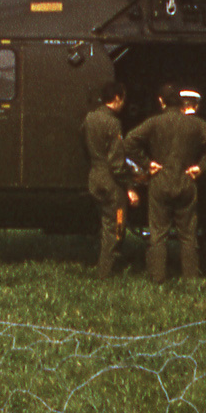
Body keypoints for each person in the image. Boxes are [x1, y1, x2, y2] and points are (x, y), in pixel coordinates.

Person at [123, 83, 206, 284]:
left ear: (161, 102)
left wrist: (146, 163)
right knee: (188, 236)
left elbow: (128, 141)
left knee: (158, 234)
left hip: (159, 183)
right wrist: (201, 167)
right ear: (180, 102)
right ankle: (190, 279)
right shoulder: (196, 125)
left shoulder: (154, 122)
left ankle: (157, 278)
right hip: (186, 182)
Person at [83, 81, 139, 278]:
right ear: (116, 98)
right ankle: (106, 272)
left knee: (105, 223)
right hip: (110, 183)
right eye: (123, 98)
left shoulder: (90, 118)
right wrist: (130, 187)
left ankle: (104, 267)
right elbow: (116, 163)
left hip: (94, 177)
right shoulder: (113, 123)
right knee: (116, 226)